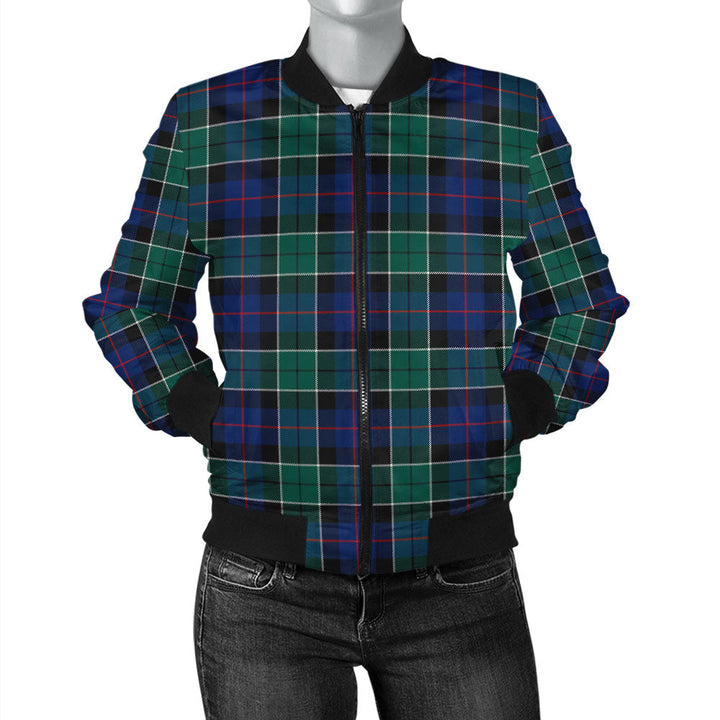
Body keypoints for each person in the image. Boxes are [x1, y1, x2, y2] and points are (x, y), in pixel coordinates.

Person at [81, 1, 630, 717]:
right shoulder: (209, 119)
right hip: (265, 585)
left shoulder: (504, 114)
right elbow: (134, 303)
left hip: (458, 574)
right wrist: (207, 412)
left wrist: (518, 406)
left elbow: (578, 298)